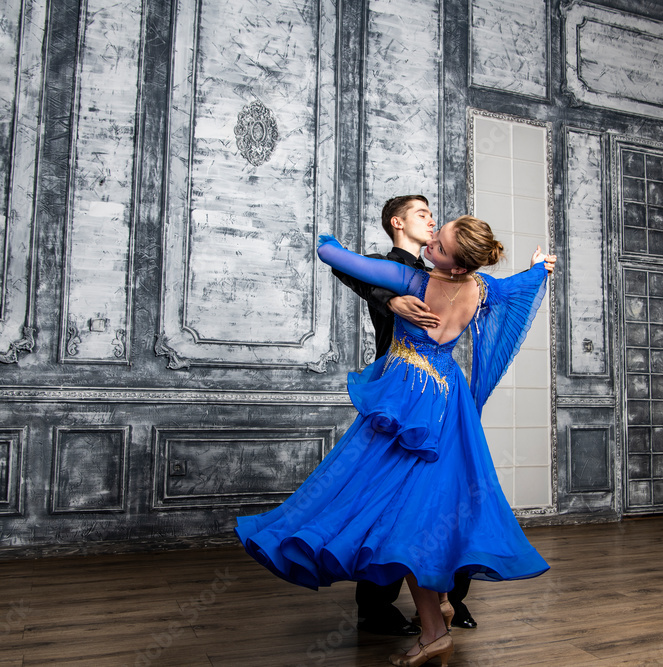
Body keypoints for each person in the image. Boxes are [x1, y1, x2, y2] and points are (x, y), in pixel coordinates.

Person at [236, 215, 556, 666]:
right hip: (447, 400)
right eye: (436, 234)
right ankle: (439, 608)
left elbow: (331, 254)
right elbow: (521, 286)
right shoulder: (483, 289)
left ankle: (434, 628)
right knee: (426, 507)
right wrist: (539, 268)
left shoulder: (412, 278)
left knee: (395, 509)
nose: (430, 247)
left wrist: (328, 233)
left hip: (407, 400)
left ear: (458, 266)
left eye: (439, 248)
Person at [332, 195, 477, 635]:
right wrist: (388, 300)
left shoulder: (451, 266)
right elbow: (341, 264)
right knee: (387, 498)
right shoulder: (387, 266)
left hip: (441, 397)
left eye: (433, 215)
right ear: (397, 223)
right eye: (421, 213)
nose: (431, 219)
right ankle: (375, 607)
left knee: (447, 494)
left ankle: (450, 599)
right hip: (396, 399)